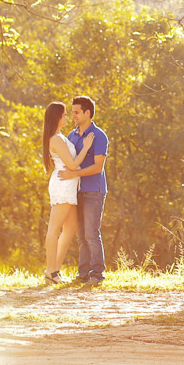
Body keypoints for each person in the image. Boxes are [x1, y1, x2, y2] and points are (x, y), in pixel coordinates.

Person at [41, 101, 94, 285]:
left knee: (70, 227)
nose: (67, 117)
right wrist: (86, 147)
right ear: (57, 117)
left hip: (70, 184)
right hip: (63, 184)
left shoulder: (61, 137)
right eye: (64, 115)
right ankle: (51, 271)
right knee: (54, 228)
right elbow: (72, 164)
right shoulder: (55, 139)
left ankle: (55, 269)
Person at [58, 95, 109, 285]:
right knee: (81, 236)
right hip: (76, 191)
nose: (73, 116)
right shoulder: (72, 136)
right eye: (72, 112)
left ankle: (97, 275)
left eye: (77, 112)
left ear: (88, 113)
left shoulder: (99, 136)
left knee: (91, 234)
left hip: (93, 191)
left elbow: (98, 167)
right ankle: (83, 274)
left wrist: (74, 174)